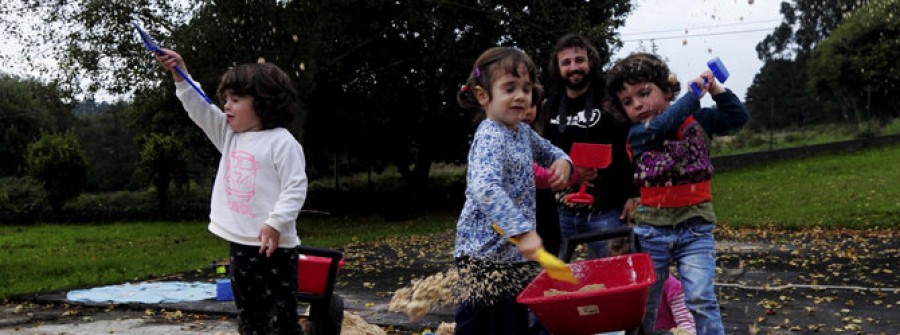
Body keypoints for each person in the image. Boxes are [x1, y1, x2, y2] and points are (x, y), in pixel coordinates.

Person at [156, 49, 307, 334]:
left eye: (235, 100)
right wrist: (180, 72)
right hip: (239, 246)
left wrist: (275, 222)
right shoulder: (229, 135)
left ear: (263, 104)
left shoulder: (282, 142)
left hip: (275, 250)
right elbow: (199, 106)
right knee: (249, 319)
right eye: (226, 99)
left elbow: (295, 187)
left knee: (281, 321)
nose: (226, 106)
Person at [605, 52, 749, 335]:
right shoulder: (639, 135)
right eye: (628, 102)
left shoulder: (696, 118)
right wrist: (693, 96)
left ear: (668, 91)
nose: (638, 105)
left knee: (701, 299)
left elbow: (737, 117)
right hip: (652, 234)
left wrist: (715, 89)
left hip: (695, 230)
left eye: (644, 93)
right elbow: (664, 124)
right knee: (646, 303)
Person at [453, 46, 572, 334]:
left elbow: (549, 150)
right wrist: (523, 231)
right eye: (510, 88)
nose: (521, 96)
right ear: (484, 95)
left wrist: (563, 162)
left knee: (512, 322)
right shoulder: (490, 136)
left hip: (514, 254)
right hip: (480, 256)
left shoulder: (521, 131)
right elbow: (486, 188)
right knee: (476, 324)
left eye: (527, 88)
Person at [542, 33, 640, 259]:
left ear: (591, 62)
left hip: (606, 210)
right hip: (560, 210)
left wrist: (633, 193)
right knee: (551, 279)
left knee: (611, 278)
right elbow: (540, 154)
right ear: (558, 68)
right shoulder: (550, 106)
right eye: (566, 62)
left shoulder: (611, 100)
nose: (573, 67)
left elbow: (631, 145)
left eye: (579, 60)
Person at [523, 85, 563, 256]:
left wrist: (566, 164)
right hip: (521, 213)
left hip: (545, 209)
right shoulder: (499, 138)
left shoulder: (535, 135)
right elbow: (529, 172)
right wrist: (565, 176)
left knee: (551, 249)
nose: (528, 111)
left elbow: (555, 153)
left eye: (532, 105)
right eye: (523, 106)